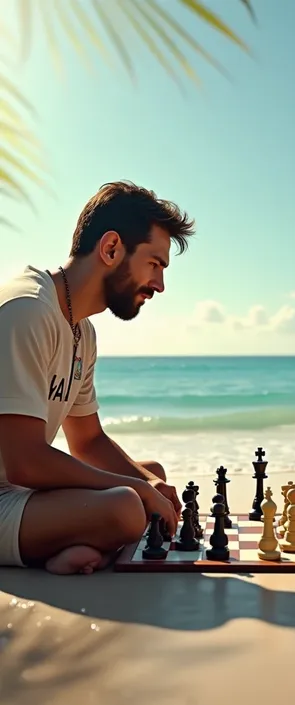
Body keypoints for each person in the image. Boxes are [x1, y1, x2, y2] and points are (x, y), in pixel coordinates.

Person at [0, 180, 195, 574]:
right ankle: (75, 543)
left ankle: (71, 547)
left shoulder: (81, 330)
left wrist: (148, 485)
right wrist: (138, 491)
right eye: (154, 264)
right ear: (111, 249)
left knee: (151, 475)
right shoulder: (27, 310)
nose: (159, 284)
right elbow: (23, 461)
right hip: (9, 492)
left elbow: (87, 440)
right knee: (127, 505)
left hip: (18, 491)